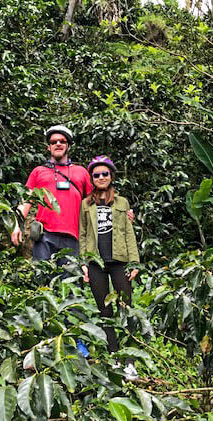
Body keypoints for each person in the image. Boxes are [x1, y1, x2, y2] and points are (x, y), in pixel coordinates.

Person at [79, 155, 140, 379]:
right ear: (92, 179)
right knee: (105, 311)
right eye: (97, 175)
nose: (101, 177)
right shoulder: (86, 204)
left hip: (120, 261)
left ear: (111, 176)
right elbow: (83, 235)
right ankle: (114, 356)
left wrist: (135, 262)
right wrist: (84, 262)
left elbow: (129, 233)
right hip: (96, 263)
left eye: (105, 174)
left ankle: (130, 361)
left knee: (126, 308)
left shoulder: (122, 203)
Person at [10, 125, 93, 265]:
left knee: (70, 282)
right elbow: (26, 200)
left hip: (73, 237)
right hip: (44, 236)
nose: (58, 144)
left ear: (68, 146)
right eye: (54, 142)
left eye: (62, 141)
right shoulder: (38, 171)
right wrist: (16, 224)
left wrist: (120, 215)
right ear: (49, 147)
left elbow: (94, 203)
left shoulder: (81, 172)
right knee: (42, 281)